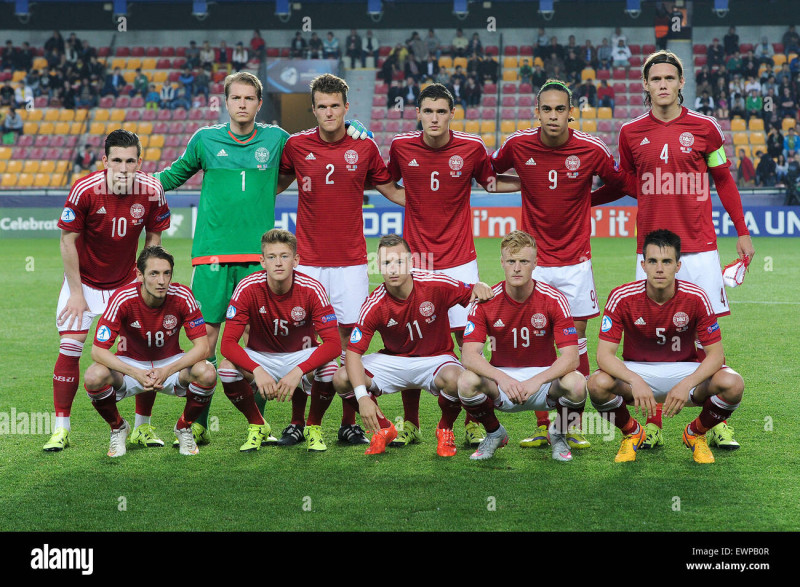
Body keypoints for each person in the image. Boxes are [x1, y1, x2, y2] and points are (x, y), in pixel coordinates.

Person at [154, 72, 368, 446]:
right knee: (204, 340)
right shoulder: (204, 140)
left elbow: (319, 138)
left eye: (249, 98)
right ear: (226, 101)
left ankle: (258, 423)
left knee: (254, 343)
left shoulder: (277, 139)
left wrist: (355, 127)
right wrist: (129, 180)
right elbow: (171, 177)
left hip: (259, 258)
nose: (242, 104)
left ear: (258, 103)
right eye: (235, 98)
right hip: (211, 256)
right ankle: (196, 421)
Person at [612, 50, 753, 450]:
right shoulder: (630, 132)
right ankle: (653, 421)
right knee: (650, 334)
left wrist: (741, 232)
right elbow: (625, 182)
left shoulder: (706, 129)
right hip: (652, 250)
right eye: (654, 79)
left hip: (698, 248)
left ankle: (712, 422)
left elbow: (724, 180)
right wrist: (581, 199)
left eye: (669, 78)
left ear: (680, 83)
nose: (662, 84)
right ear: (645, 85)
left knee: (708, 335)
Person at [491, 79, 633, 449]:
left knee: (577, 344)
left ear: (572, 112)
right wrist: (520, 183)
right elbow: (487, 172)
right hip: (533, 262)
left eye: (560, 109)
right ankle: (541, 425)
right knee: (538, 343)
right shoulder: (518, 145)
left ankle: (566, 426)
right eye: (547, 109)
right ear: (536, 113)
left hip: (574, 264)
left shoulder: (590, 149)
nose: (553, 116)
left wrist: (588, 200)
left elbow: (622, 183)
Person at [386, 83, 521, 448]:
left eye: (441, 111)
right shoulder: (401, 147)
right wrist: (409, 200)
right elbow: (385, 181)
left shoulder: (472, 148)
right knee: (409, 341)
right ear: (418, 113)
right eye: (428, 111)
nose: (434, 118)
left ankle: (472, 420)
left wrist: (536, 180)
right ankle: (410, 423)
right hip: (418, 261)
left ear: (452, 113)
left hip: (461, 262)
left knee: (469, 343)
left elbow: (491, 183)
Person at [277, 73, 405, 448]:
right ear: (313, 108)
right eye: (322, 106)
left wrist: (437, 201)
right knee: (304, 341)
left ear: (347, 108)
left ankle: (348, 424)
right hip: (308, 262)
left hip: (350, 262)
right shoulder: (296, 146)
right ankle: (298, 423)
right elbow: (272, 186)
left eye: (336, 106)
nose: (329, 112)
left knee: (351, 342)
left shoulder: (364, 148)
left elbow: (390, 190)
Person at [44, 129, 171, 452]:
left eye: (131, 161)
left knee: (145, 350)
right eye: (117, 160)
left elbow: (154, 238)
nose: (124, 168)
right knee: (70, 348)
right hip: (83, 281)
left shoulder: (152, 189)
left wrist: (146, 279)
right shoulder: (86, 189)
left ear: (139, 162)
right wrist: (75, 293)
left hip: (127, 281)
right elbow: (67, 241)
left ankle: (142, 427)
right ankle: (61, 429)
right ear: (105, 161)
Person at [587, 229, 745, 464]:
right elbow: (604, 356)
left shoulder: (696, 297)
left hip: (684, 371)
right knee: (597, 384)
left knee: (733, 384)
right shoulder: (621, 297)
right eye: (653, 261)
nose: (659, 268)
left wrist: (687, 384)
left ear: (678, 266)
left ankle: (696, 433)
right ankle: (632, 432)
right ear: (643, 265)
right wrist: (635, 379)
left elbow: (716, 355)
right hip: (638, 371)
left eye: (667, 261)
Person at [332, 235, 494, 457]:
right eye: (387, 263)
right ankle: (384, 428)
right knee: (341, 378)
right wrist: (361, 397)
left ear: (410, 262)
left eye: (399, 261)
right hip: (394, 361)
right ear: (379, 266)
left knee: (458, 380)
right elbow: (352, 353)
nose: (393, 269)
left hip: (435, 359)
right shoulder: (375, 303)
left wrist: (481, 285)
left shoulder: (435, 284)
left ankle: (445, 429)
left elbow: (472, 291)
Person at [457, 231, 586, 461]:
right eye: (511, 261)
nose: (517, 268)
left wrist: (536, 381)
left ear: (535, 263)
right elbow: (468, 355)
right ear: (502, 263)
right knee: (466, 381)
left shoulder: (554, 299)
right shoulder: (487, 301)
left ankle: (558, 434)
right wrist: (502, 379)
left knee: (577, 383)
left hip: (543, 385)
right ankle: (494, 433)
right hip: (502, 384)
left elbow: (572, 358)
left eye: (524, 261)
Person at [85, 246, 216, 457]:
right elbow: (98, 351)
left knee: (208, 372)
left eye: (166, 273)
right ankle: (118, 427)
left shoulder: (183, 295)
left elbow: (203, 347)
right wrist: (135, 372)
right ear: (139, 274)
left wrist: (167, 370)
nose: (162, 281)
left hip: (170, 363)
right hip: (131, 364)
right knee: (93, 375)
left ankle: (183, 427)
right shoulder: (122, 298)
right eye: (154, 274)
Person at [218, 229, 341, 452]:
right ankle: (257, 425)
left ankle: (313, 427)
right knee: (226, 369)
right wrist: (256, 369)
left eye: (284, 256)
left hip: (301, 354)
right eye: (272, 257)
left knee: (331, 369)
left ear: (296, 261)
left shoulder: (312, 288)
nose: (278, 263)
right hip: (261, 356)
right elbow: (227, 344)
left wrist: (298, 371)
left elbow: (334, 344)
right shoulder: (247, 287)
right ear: (262, 261)